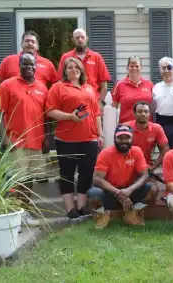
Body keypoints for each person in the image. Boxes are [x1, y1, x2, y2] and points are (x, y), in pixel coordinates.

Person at [0, 53, 49, 227]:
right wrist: (5, 136)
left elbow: (46, 116)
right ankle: (14, 213)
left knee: (30, 178)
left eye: (32, 65)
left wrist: (46, 138)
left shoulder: (42, 88)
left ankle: (23, 211)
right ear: (19, 66)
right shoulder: (8, 85)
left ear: (36, 67)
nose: (29, 67)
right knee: (17, 179)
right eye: (25, 64)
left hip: (36, 141)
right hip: (16, 141)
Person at [46, 57, 104, 220]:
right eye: (70, 67)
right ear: (65, 71)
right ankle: (71, 210)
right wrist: (70, 117)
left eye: (76, 67)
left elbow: (96, 113)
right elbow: (50, 111)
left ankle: (82, 208)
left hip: (89, 139)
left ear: (81, 70)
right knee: (67, 174)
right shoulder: (58, 87)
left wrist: (100, 134)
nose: (74, 70)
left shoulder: (89, 88)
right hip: (66, 140)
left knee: (86, 174)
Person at [87, 124, 158, 229]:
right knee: (94, 194)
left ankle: (133, 212)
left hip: (129, 191)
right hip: (110, 192)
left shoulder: (136, 151)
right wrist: (118, 192)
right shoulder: (106, 153)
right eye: (120, 138)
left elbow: (145, 175)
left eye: (127, 137)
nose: (124, 141)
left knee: (153, 189)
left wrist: (129, 189)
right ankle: (102, 215)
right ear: (115, 138)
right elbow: (97, 179)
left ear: (132, 138)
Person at [57, 28, 111, 103]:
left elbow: (104, 83)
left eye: (82, 37)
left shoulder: (96, 57)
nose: (80, 40)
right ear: (73, 40)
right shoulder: (66, 57)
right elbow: (61, 80)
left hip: (93, 100)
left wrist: (100, 102)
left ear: (87, 38)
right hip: (72, 100)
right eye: (77, 37)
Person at [123, 101, 169, 170]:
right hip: (126, 165)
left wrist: (153, 167)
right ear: (134, 113)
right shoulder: (125, 127)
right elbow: (119, 149)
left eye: (146, 111)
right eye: (140, 111)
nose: (143, 114)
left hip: (145, 166)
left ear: (149, 114)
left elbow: (165, 150)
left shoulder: (156, 128)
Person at [112, 56, 154, 123]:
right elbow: (113, 109)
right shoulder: (119, 85)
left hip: (146, 127)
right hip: (126, 128)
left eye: (137, 66)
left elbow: (154, 107)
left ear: (141, 68)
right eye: (131, 66)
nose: (134, 68)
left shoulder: (149, 84)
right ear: (127, 67)